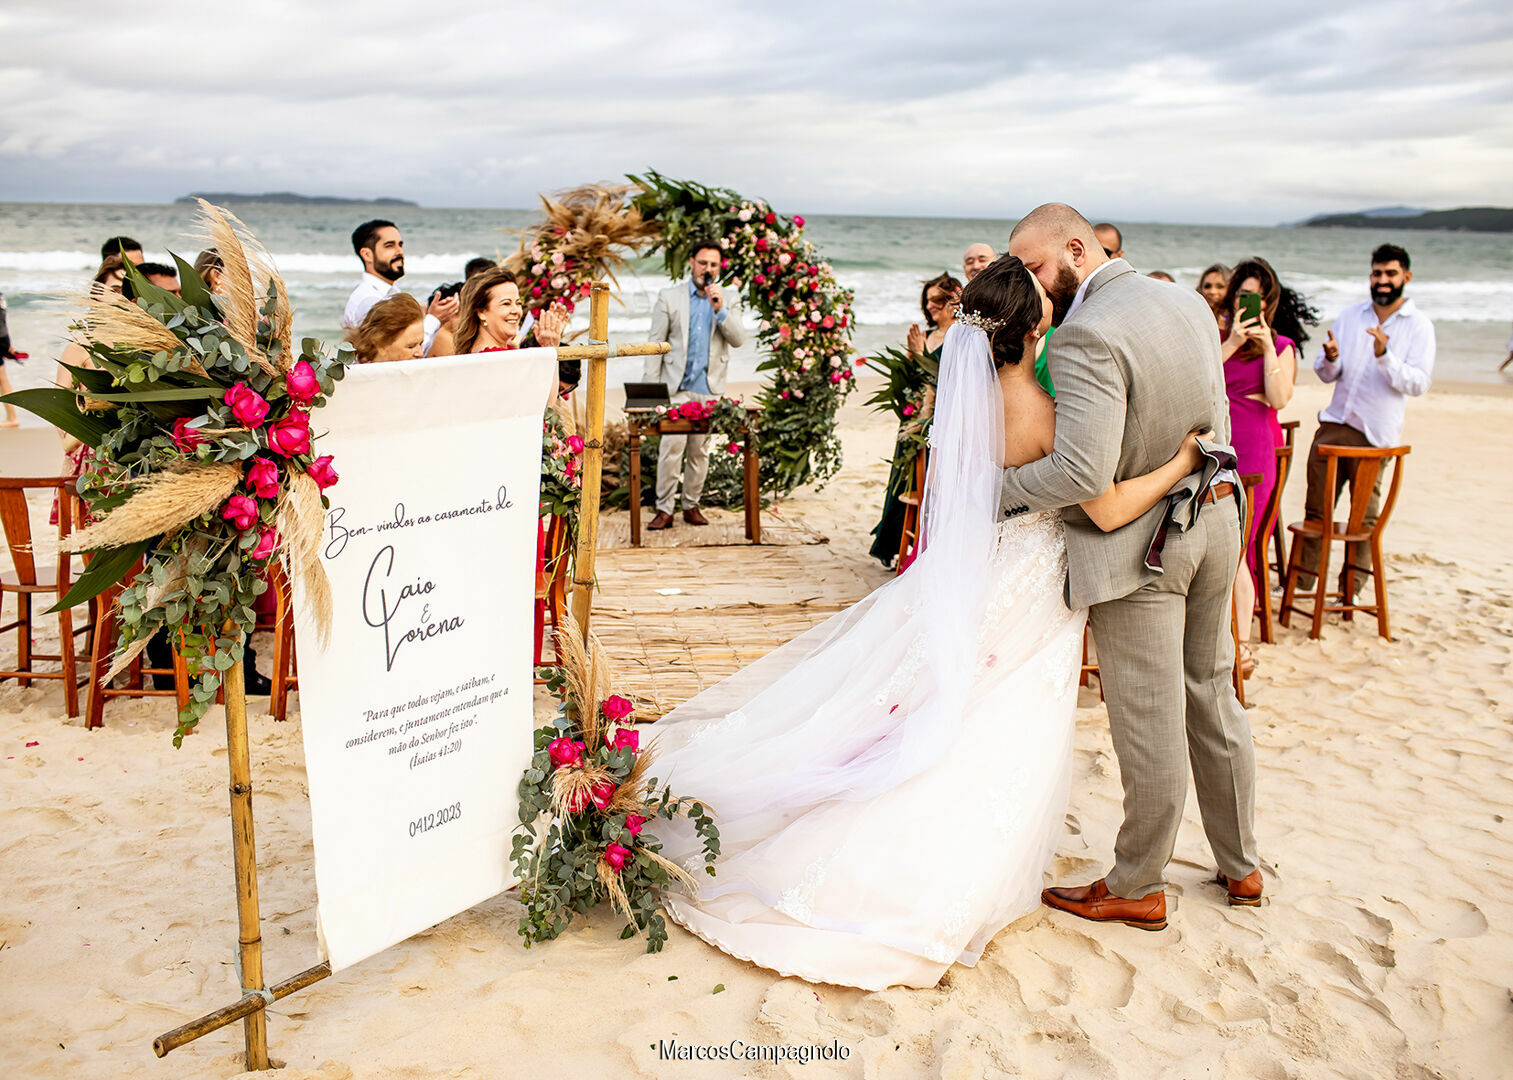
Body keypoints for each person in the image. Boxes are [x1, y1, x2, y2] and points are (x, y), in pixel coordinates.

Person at [645, 254, 1208, 990]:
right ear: (1036, 327)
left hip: (979, 571)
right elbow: (1100, 507)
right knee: (999, 720)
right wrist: (1181, 461)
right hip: (1033, 584)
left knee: (946, 705)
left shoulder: (967, 408)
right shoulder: (1048, 414)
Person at [1003, 202, 1260, 929]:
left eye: (1033, 265)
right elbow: (1210, 414)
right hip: (1214, 516)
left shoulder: (1086, 332)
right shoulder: (1179, 300)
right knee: (1212, 692)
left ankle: (1137, 883)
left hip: (1144, 547)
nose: (1029, 282)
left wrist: (989, 492)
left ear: (1076, 250)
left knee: (1149, 719)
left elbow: (1080, 473)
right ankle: (1240, 867)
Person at [1297, 243, 1434, 592]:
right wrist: (1329, 358)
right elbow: (1329, 374)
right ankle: (1304, 583)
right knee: (1316, 512)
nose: (1383, 280)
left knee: (1363, 520)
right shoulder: (1351, 316)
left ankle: (1351, 590)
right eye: (1377, 273)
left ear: (1406, 276)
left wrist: (1384, 356)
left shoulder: (1419, 325)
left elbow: (1418, 383)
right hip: (1333, 426)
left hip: (1374, 436)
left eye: (1390, 273)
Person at [1219, 257, 1297, 677]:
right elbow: (1200, 378)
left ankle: (1243, 646)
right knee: (1214, 545)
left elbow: (1280, 398)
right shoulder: (1215, 338)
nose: (1252, 304)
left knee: (1244, 548)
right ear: (1234, 298)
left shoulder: (1283, 346)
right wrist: (1232, 340)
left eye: (1260, 298)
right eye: (1244, 295)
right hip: (1217, 445)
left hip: (1257, 448)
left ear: (1269, 302)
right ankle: (1218, 636)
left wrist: (1266, 346)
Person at [643, 240, 748, 530]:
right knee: (670, 449)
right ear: (692, 262)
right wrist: (651, 394)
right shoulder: (669, 296)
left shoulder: (729, 298)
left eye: (713, 264)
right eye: (703, 263)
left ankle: (691, 505)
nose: (708, 269)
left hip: (709, 389)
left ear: (719, 267)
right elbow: (655, 346)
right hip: (676, 388)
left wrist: (721, 309)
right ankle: (664, 509)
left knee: (699, 452)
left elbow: (738, 340)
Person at [866, 273, 960, 565]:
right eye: (927, 301)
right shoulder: (928, 334)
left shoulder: (960, 335)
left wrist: (921, 355)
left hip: (939, 422)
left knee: (927, 486)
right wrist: (911, 355)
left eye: (937, 300)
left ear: (953, 299)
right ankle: (889, 544)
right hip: (913, 420)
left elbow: (948, 377)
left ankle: (924, 545)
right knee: (901, 481)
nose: (931, 306)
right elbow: (911, 376)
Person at [342, 219, 455, 354]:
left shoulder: (391, 292)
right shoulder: (369, 299)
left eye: (400, 245)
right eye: (389, 246)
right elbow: (401, 353)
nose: (399, 252)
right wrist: (434, 319)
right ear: (367, 254)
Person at [347, 294, 426, 364]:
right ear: (381, 345)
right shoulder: (359, 377)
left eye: (421, 344)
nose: (420, 353)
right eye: (411, 346)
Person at [0, 292, 20, 427]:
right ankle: (12, 417)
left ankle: (12, 418)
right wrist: (8, 343)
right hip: (3, 338)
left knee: (2, 378)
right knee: (2, 378)